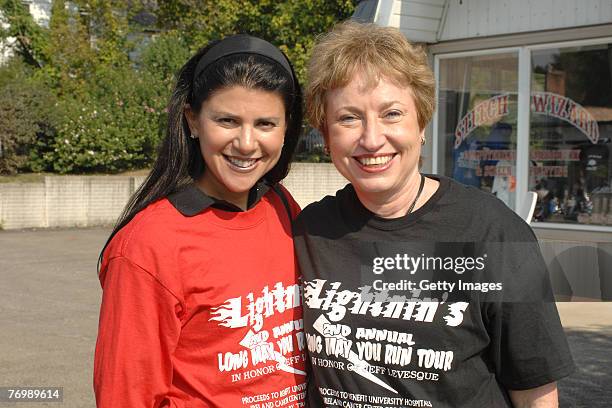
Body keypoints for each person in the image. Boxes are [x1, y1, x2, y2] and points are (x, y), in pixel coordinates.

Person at [294, 21, 574, 408]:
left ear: (421, 123)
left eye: (392, 113)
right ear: (326, 136)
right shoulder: (308, 233)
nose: (372, 138)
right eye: (348, 118)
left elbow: (536, 391)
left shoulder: (493, 233)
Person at [94, 35, 307, 407]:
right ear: (193, 120)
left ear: (287, 128)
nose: (246, 142)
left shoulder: (283, 206)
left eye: (265, 124)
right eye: (227, 120)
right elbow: (126, 395)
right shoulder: (148, 246)